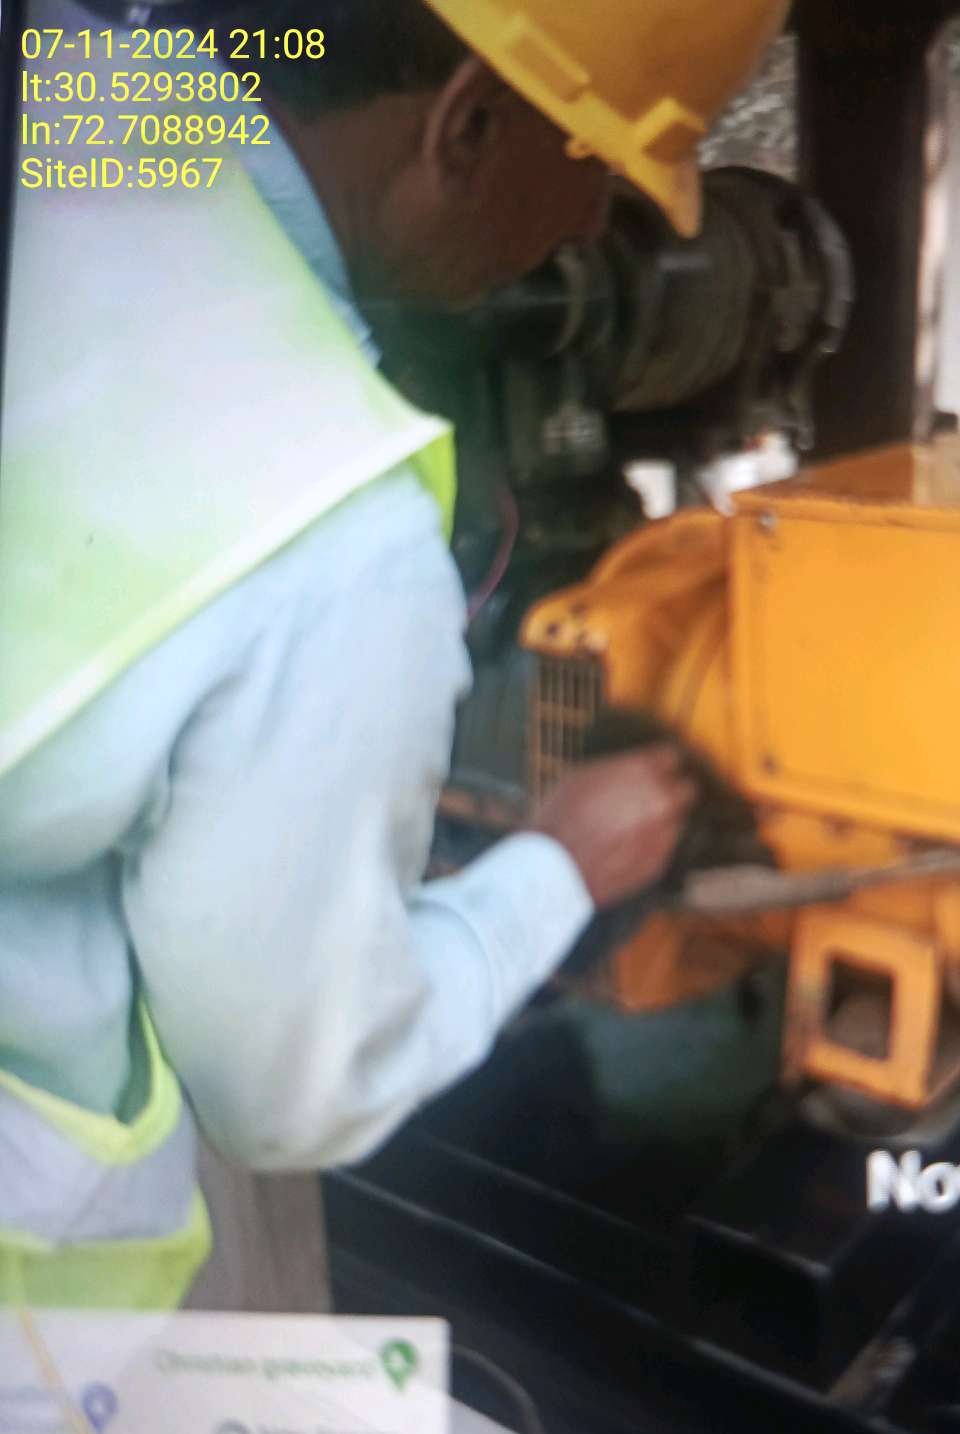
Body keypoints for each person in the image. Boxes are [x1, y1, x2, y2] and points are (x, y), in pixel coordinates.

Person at [0, 0, 787, 1310]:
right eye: (598, 166)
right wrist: (559, 869)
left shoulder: (63, 70)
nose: (593, 228)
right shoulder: (331, 533)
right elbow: (291, 1093)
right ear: (465, 122)